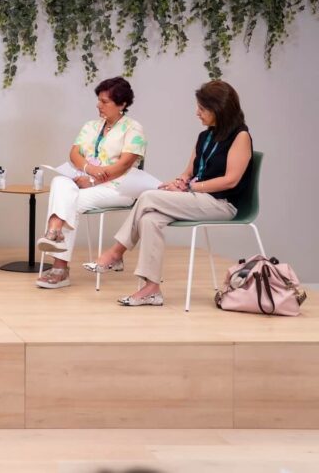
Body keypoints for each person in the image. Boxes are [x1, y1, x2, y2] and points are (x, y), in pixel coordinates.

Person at [84, 80, 254, 307]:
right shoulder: (205, 137)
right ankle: (151, 289)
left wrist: (190, 187)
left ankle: (116, 253)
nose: (197, 113)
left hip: (222, 203)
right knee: (150, 219)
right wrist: (178, 183)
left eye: (202, 108)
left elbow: (231, 180)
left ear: (219, 109)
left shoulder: (240, 136)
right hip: (196, 198)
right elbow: (189, 172)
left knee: (148, 197)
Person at [34, 77, 147, 289]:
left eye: (104, 102)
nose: (98, 105)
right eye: (98, 100)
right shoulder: (91, 126)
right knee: (60, 181)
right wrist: (88, 170)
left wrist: (93, 180)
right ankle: (55, 231)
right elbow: (74, 154)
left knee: (70, 203)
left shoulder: (133, 128)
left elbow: (124, 165)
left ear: (122, 104)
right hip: (85, 181)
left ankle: (59, 264)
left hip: (119, 188)